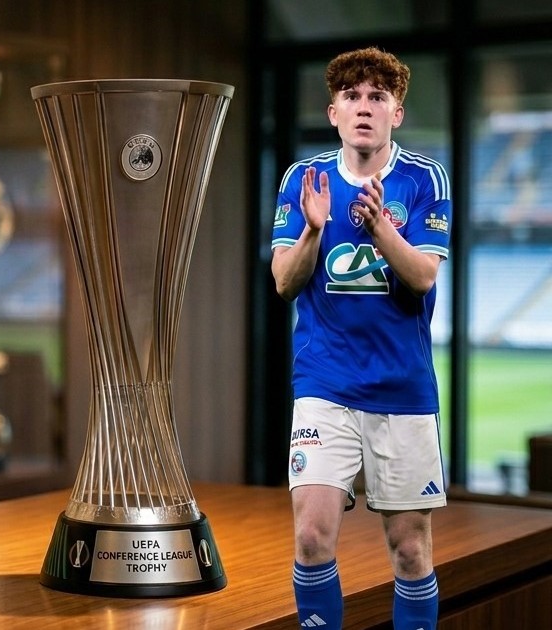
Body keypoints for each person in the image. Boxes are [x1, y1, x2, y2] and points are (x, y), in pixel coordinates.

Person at [271, 47, 451, 630]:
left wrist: (379, 229)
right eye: (352, 97)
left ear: (397, 112)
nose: (364, 107)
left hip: (402, 389)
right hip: (324, 382)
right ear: (334, 113)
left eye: (378, 97)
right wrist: (312, 231)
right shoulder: (304, 180)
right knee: (311, 536)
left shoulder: (424, 178)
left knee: (410, 549)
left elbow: (422, 277)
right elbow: (284, 282)